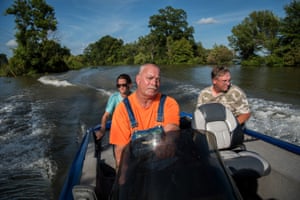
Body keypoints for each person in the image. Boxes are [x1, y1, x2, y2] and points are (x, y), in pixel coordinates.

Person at [109, 63, 180, 170]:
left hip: (164, 164)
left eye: (158, 79)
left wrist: (169, 141)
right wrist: (123, 180)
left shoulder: (169, 103)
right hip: (136, 168)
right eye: (150, 78)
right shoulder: (122, 110)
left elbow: (172, 127)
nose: (154, 83)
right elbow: (121, 150)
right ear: (138, 79)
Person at [95, 73, 132, 140]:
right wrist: (102, 129)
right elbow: (105, 116)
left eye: (124, 85)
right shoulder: (114, 98)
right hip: (119, 128)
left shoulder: (135, 97)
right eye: (119, 85)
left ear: (130, 85)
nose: (121, 87)